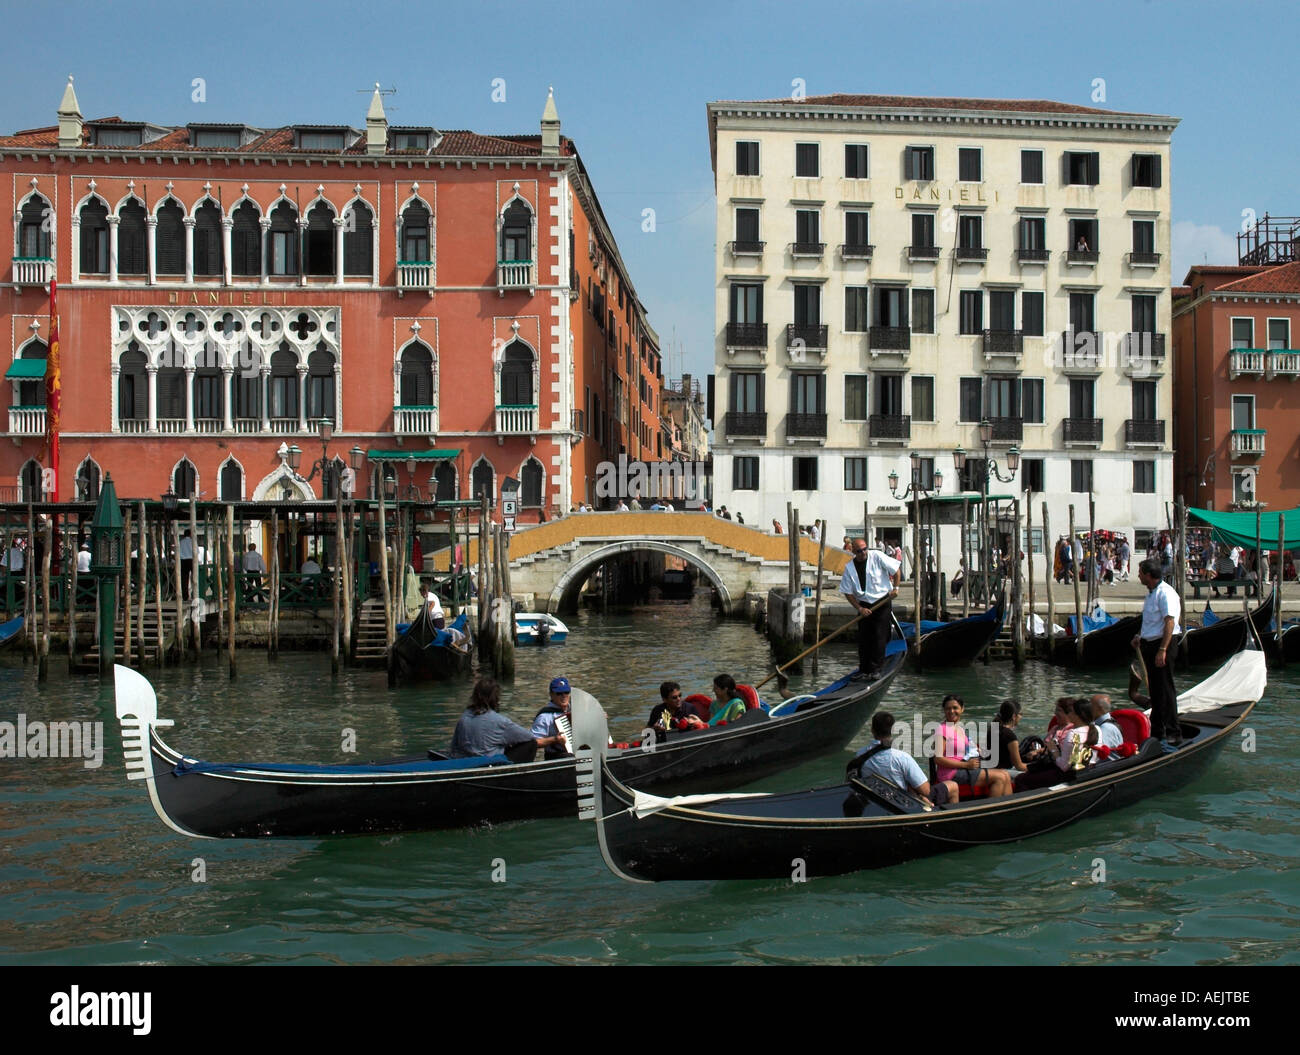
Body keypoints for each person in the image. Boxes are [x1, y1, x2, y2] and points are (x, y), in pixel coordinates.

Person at [848, 711, 956, 807]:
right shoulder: (901, 757)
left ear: (872, 730)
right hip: (901, 805)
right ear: (893, 730)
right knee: (953, 786)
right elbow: (926, 790)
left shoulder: (860, 754)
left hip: (874, 803)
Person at [1132, 556, 1181, 744]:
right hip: (1150, 644)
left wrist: (1163, 649)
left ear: (1147, 575)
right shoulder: (1151, 593)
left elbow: (1170, 622)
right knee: (1155, 690)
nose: (1138, 576)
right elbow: (1152, 621)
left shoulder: (1165, 593)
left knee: (1166, 689)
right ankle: (1157, 730)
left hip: (1163, 644)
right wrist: (1139, 636)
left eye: (1140, 573)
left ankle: (1173, 732)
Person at [840, 538, 900, 681]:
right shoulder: (849, 568)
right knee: (864, 638)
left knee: (879, 636)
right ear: (853, 552)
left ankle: (876, 669)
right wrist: (860, 608)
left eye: (865, 549)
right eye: (859, 551)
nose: (863, 553)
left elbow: (896, 571)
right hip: (865, 605)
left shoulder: (877, 556)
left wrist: (896, 588)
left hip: (882, 601)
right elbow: (847, 592)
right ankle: (864, 669)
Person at [934, 694, 1011, 797]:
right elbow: (938, 759)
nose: (951, 711)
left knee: (1005, 774)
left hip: (963, 768)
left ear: (962, 709)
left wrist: (977, 750)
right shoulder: (942, 729)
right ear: (944, 710)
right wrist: (966, 765)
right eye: (948, 708)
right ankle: (990, 811)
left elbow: (967, 748)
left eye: (955, 708)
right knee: (999, 777)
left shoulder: (960, 729)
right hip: (951, 773)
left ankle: (1007, 807)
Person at [449, 677, 536, 759]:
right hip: (487, 763)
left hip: (462, 760)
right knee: (531, 743)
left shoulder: (464, 717)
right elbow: (529, 737)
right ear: (496, 698)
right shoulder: (500, 721)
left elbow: (454, 747)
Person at [531, 676, 574, 759]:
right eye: (559, 693)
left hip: (580, 754)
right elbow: (533, 742)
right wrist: (555, 739)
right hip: (557, 757)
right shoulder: (544, 716)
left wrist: (598, 718)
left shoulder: (577, 709)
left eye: (566, 692)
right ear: (551, 695)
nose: (564, 696)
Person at [995, 699, 1028, 773]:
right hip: (1003, 771)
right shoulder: (1010, 736)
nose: (1021, 717)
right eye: (1020, 714)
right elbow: (1019, 766)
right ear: (1014, 716)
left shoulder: (994, 728)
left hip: (992, 768)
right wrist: (1038, 767)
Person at [179, 530, 194, 600]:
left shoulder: (181, 542)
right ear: (190, 534)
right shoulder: (193, 542)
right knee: (194, 578)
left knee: (184, 579)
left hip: (183, 561)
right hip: (191, 560)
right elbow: (197, 552)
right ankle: (194, 593)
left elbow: (178, 552)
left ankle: (185, 596)